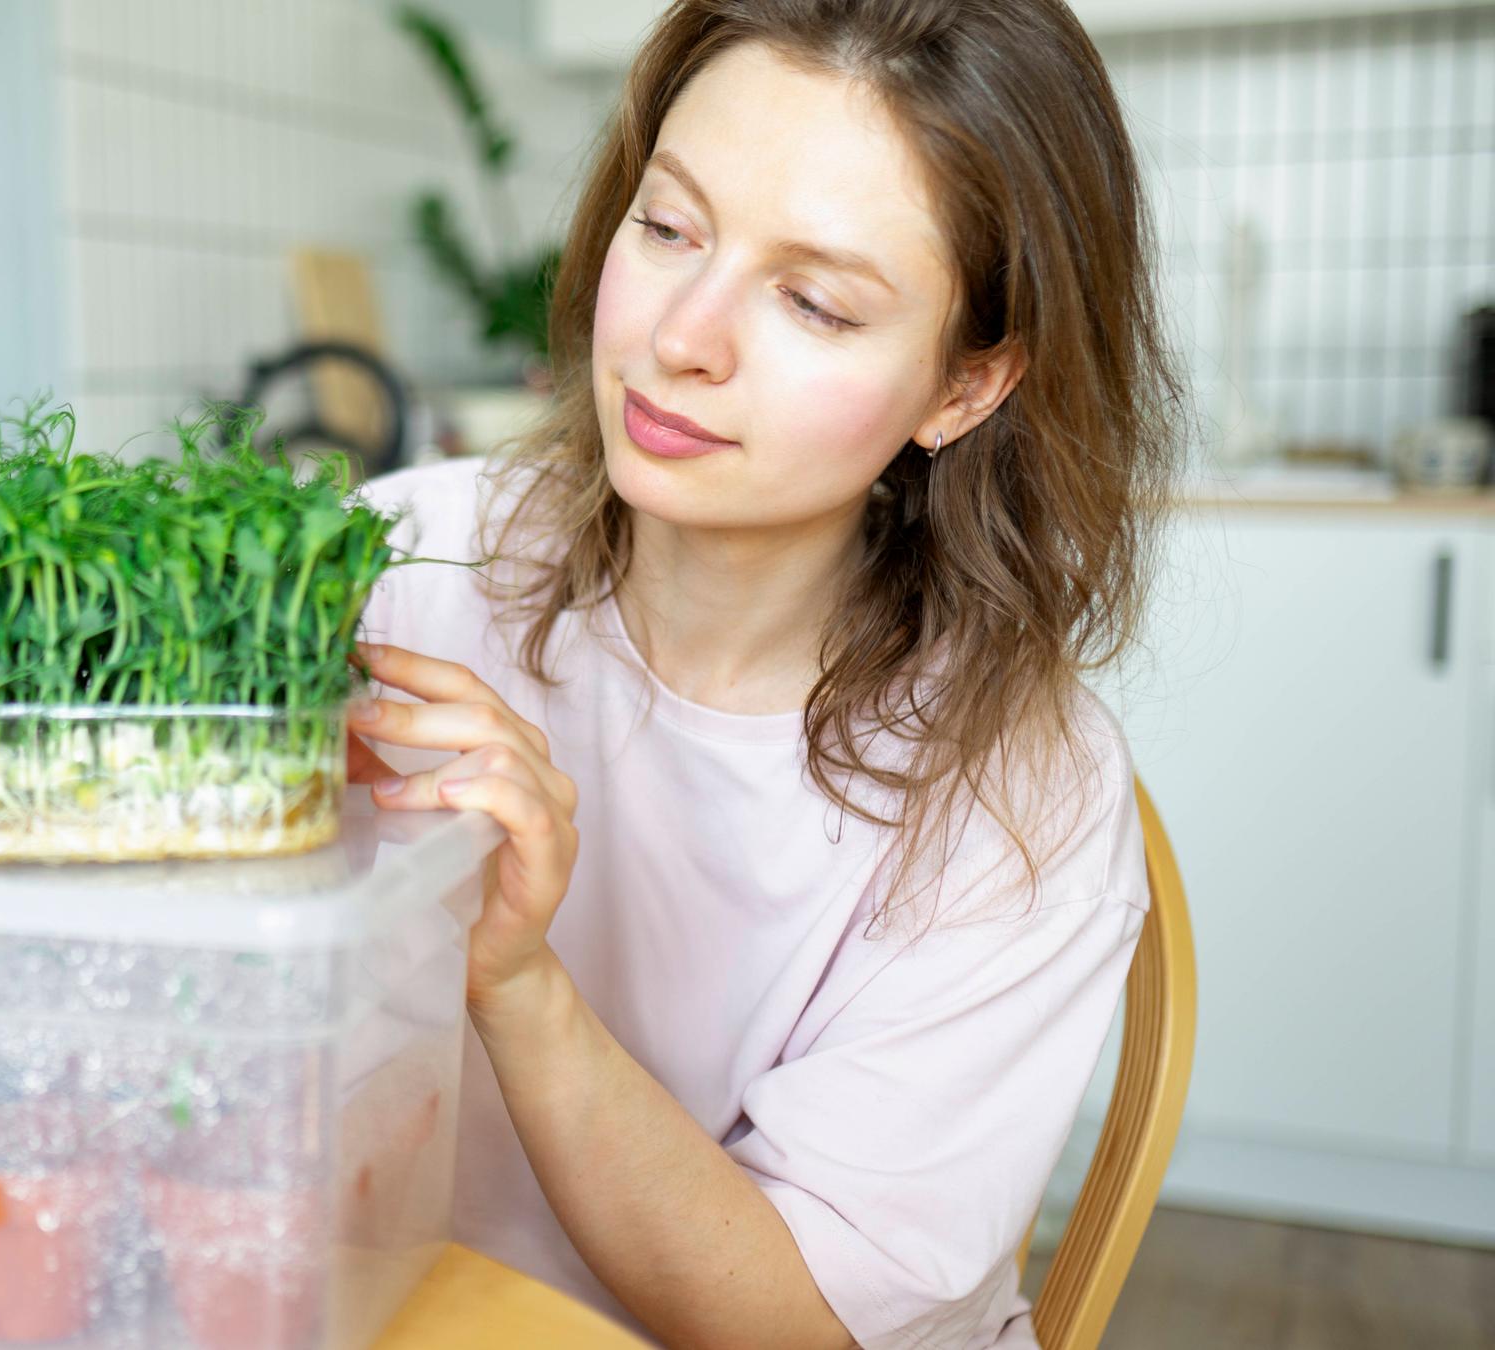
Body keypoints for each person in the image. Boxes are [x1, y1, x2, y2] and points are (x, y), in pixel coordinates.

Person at [340, 1, 1180, 1345]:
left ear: (963, 388)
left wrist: (519, 977)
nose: (684, 336)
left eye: (817, 301)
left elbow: (800, 1320)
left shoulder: (1022, 797)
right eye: (668, 228)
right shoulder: (405, 566)